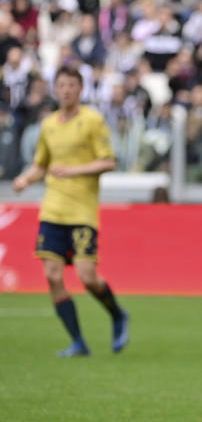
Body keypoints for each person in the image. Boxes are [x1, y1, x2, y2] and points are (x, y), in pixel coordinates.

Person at [12, 66, 130, 357]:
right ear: (55, 89)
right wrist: (26, 178)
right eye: (61, 85)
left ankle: (117, 315)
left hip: (82, 211)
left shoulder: (93, 121)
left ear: (80, 89)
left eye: (71, 85)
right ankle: (78, 342)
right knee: (52, 276)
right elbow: (42, 163)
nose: (65, 90)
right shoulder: (49, 124)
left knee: (87, 276)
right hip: (52, 210)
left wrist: (73, 170)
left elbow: (108, 161)